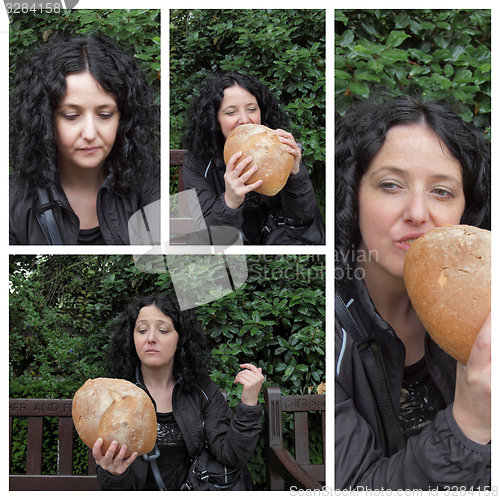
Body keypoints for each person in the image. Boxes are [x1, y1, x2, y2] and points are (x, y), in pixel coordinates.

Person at [335, 96, 491, 489]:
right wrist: (469, 426)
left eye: (442, 192)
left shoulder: (481, 307)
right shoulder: (331, 331)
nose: (418, 213)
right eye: (391, 185)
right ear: (353, 196)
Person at [93, 294, 264, 490]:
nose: (150, 338)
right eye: (142, 330)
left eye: (163, 330)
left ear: (180, 338)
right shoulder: (115, 396)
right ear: (132, 338)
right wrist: (113, 473)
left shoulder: (202, 390)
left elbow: (232, 455)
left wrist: (249, 404)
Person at [9, 34, 160, 245]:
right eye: (71, 116)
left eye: (105, 115)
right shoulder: (11, 205)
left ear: (123, 118)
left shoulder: (153, 185)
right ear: (45, 119)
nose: (89, 133)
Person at [182, 71, 323, 245]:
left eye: (251, 109)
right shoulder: (197, 163)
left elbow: (302, 217)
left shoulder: (280, 150)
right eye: (231, 112)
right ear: (215, 120)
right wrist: (230, 202)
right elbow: (208, 236)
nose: (245, 120)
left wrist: (296, 174)